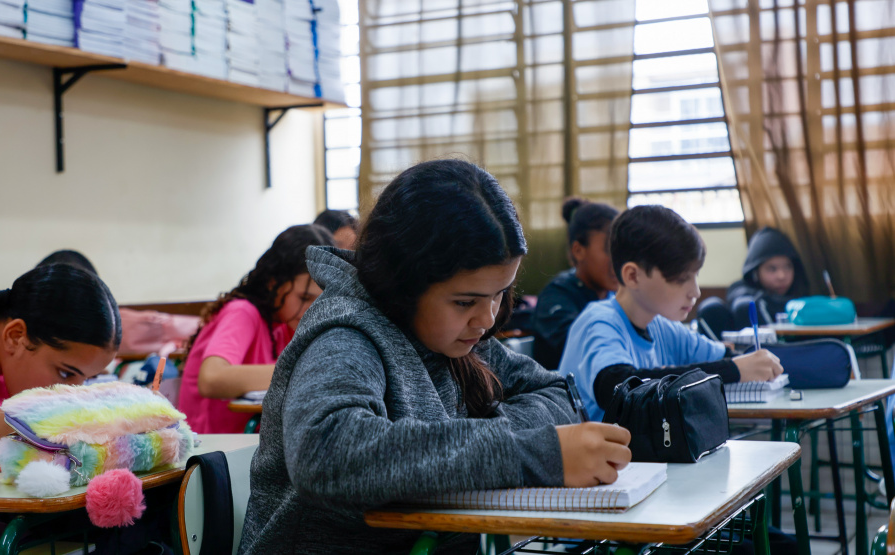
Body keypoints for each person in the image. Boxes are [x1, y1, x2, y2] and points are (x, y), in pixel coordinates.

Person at [239, 159, 632, 554]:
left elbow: (558, 395)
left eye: (499, 293)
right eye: (465, 301)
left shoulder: (454, 333)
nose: (488, 317)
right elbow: (327, 453)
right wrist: (532, 452)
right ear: (404, 283)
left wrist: (471, 443)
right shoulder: (345, 334)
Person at [559, 205, 784, 422]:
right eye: (680, 279)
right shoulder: (599, 321)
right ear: (633, 276)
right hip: (596, 459)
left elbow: (722, 357)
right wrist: (733, 369)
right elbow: (616, 387)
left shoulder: (660, 324)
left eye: (695, 276)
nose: (695, 292)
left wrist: (748, 361)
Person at [177, 224, 334, 434]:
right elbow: (211, 379)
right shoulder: (243, 312)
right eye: (304, 298)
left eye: (320, 299)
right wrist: (304, 370)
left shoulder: (285, 324)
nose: (311, 309)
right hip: (214, 453)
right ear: (273, 283)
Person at [0, 264, 121, 464]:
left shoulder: (13, 364)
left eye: (86, 380)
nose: (72, 395)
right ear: (16, 336)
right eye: (65, 374)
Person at [532, 198, 619, 369]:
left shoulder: (616, 295)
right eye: (609, 249)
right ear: (578, 250)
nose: (619, 260)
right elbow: (583, 347)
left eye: (622, 249)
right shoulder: (556, 294)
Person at [726, 227, 809, 328]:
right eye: (772, 269)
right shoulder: (743, 294)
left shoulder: (802, 297)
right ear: (755, 272)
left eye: (787, 267)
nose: (781, 276)